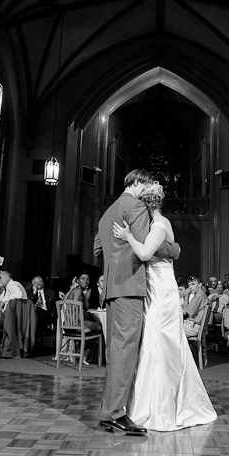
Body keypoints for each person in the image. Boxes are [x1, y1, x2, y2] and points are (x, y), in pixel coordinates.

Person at [113, 181, 217, 431]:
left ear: (145, 205)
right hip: (153, 286)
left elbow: (146, 254)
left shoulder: (160, 225)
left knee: (161, 341)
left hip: (161, 289)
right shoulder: (152, 225)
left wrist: (127, 236)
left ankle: (163, 406)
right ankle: (145, 402)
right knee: (151, 340)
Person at [93, 168, 156, 435]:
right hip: (129, 286)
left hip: (112, 286)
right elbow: (145, 248)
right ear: (138, 182)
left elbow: (97, 249)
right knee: (125, 351)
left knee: (117, 351)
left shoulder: (108, 212)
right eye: (147, 185)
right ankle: (115, 413)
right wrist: (172, 247)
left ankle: (111, 411)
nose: (148, 190)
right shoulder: (136, 206)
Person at [0, 270, 32, 359]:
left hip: (12, 318)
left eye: (0, 278)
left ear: (7, 278)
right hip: (8, 316)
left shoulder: (13, 285)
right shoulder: (7, 288)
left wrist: (5, 300)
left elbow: (19, 294)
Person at [66, 272, 102, 365]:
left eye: (87, 279)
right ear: (77, 280)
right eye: (82, 278)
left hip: (73, 323)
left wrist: (86, 295)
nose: (85, 281)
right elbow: (75, 307)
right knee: (99, 327)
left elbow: (86, 308)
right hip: (74, 324)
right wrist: (79, 323)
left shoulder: (81, 292)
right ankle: (83, 355)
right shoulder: (77, 291)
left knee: (92, 328)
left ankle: (80, 354)